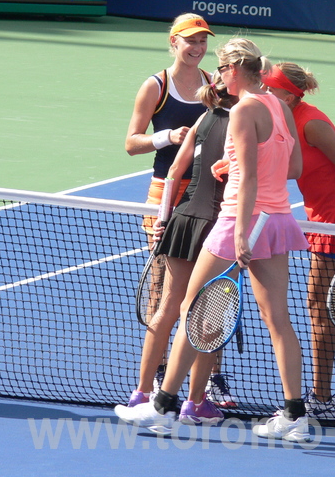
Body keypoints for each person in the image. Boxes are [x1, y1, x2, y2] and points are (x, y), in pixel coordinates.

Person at [115, 38, 312, 442]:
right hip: (277, 220)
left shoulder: (243, 110)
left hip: (239, 220)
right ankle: (295, 414)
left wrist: (240, 232)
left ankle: (163, 407)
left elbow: (251, 179)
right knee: (278, 319)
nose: (218, 75)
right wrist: (235, 162)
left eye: (222, 69)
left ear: (234, 70)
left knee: (190, 306)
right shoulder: (279, 106)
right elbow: (293, 167)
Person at [117, 71, 239, 425]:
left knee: (169, 306)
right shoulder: (245, 124)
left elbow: (174, 174)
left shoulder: (203, 118)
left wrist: (163, 218)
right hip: (218, 226)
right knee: (208, 316)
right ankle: (195, 402)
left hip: (182, 217)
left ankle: (141, 393)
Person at [262, 63, 335, 420]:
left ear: (289, 95)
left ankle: (321, 398)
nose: (264, 93)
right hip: (320, 217)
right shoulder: (283, 118)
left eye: (270, 89)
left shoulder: (311, 122)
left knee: (318, 306)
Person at [124, 13, 213, 393]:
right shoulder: (155, 86)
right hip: (165, 196)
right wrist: (167, 137)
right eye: (190, 41)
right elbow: (131, 143)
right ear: (173, 42)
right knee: (162, 291)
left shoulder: (214, 84)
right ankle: (159, 371)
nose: (197, 48)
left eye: (202, 41)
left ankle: (206, 380)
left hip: (208, 198)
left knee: (208, 294)